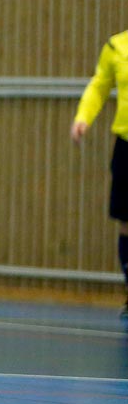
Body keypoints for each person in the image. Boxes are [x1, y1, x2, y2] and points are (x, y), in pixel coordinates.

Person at [70, 28, 128, 317]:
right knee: (127, 222)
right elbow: (100, 85)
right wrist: (83, 117)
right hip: (127, 145)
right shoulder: (116, 46)